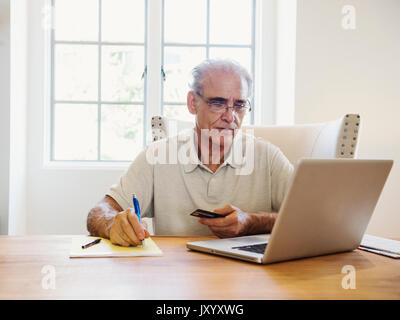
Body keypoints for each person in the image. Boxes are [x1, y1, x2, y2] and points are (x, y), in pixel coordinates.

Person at [87, 59, 294, 247]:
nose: (230, 116)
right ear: (192, 103)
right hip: (177, 276)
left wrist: (252, 223)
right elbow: (98, 212)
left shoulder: (268, 156)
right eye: (218, 103)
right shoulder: (158, 156)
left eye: (239, 105)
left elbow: (310, 218)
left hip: (252, 279)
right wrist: (113, 223)